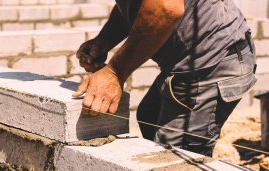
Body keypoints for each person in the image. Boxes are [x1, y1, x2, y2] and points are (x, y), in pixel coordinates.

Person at [72, 0, 257, 156]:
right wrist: (104, 40)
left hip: (214, 58)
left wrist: (114, 72)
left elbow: (164, 8)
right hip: (187, 59)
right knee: (148, 116)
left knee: (174, 158)